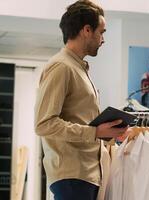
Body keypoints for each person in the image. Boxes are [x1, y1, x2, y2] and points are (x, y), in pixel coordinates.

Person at [34, 1, 128, 199]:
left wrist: (108, 133)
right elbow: (44, 124)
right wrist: (95, 132)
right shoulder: (61, 67)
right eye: (101, 32)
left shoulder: (78, 68)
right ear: (86, 30)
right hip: (72, 176)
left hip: (85, 174)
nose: (103, 39)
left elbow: (78, 118)